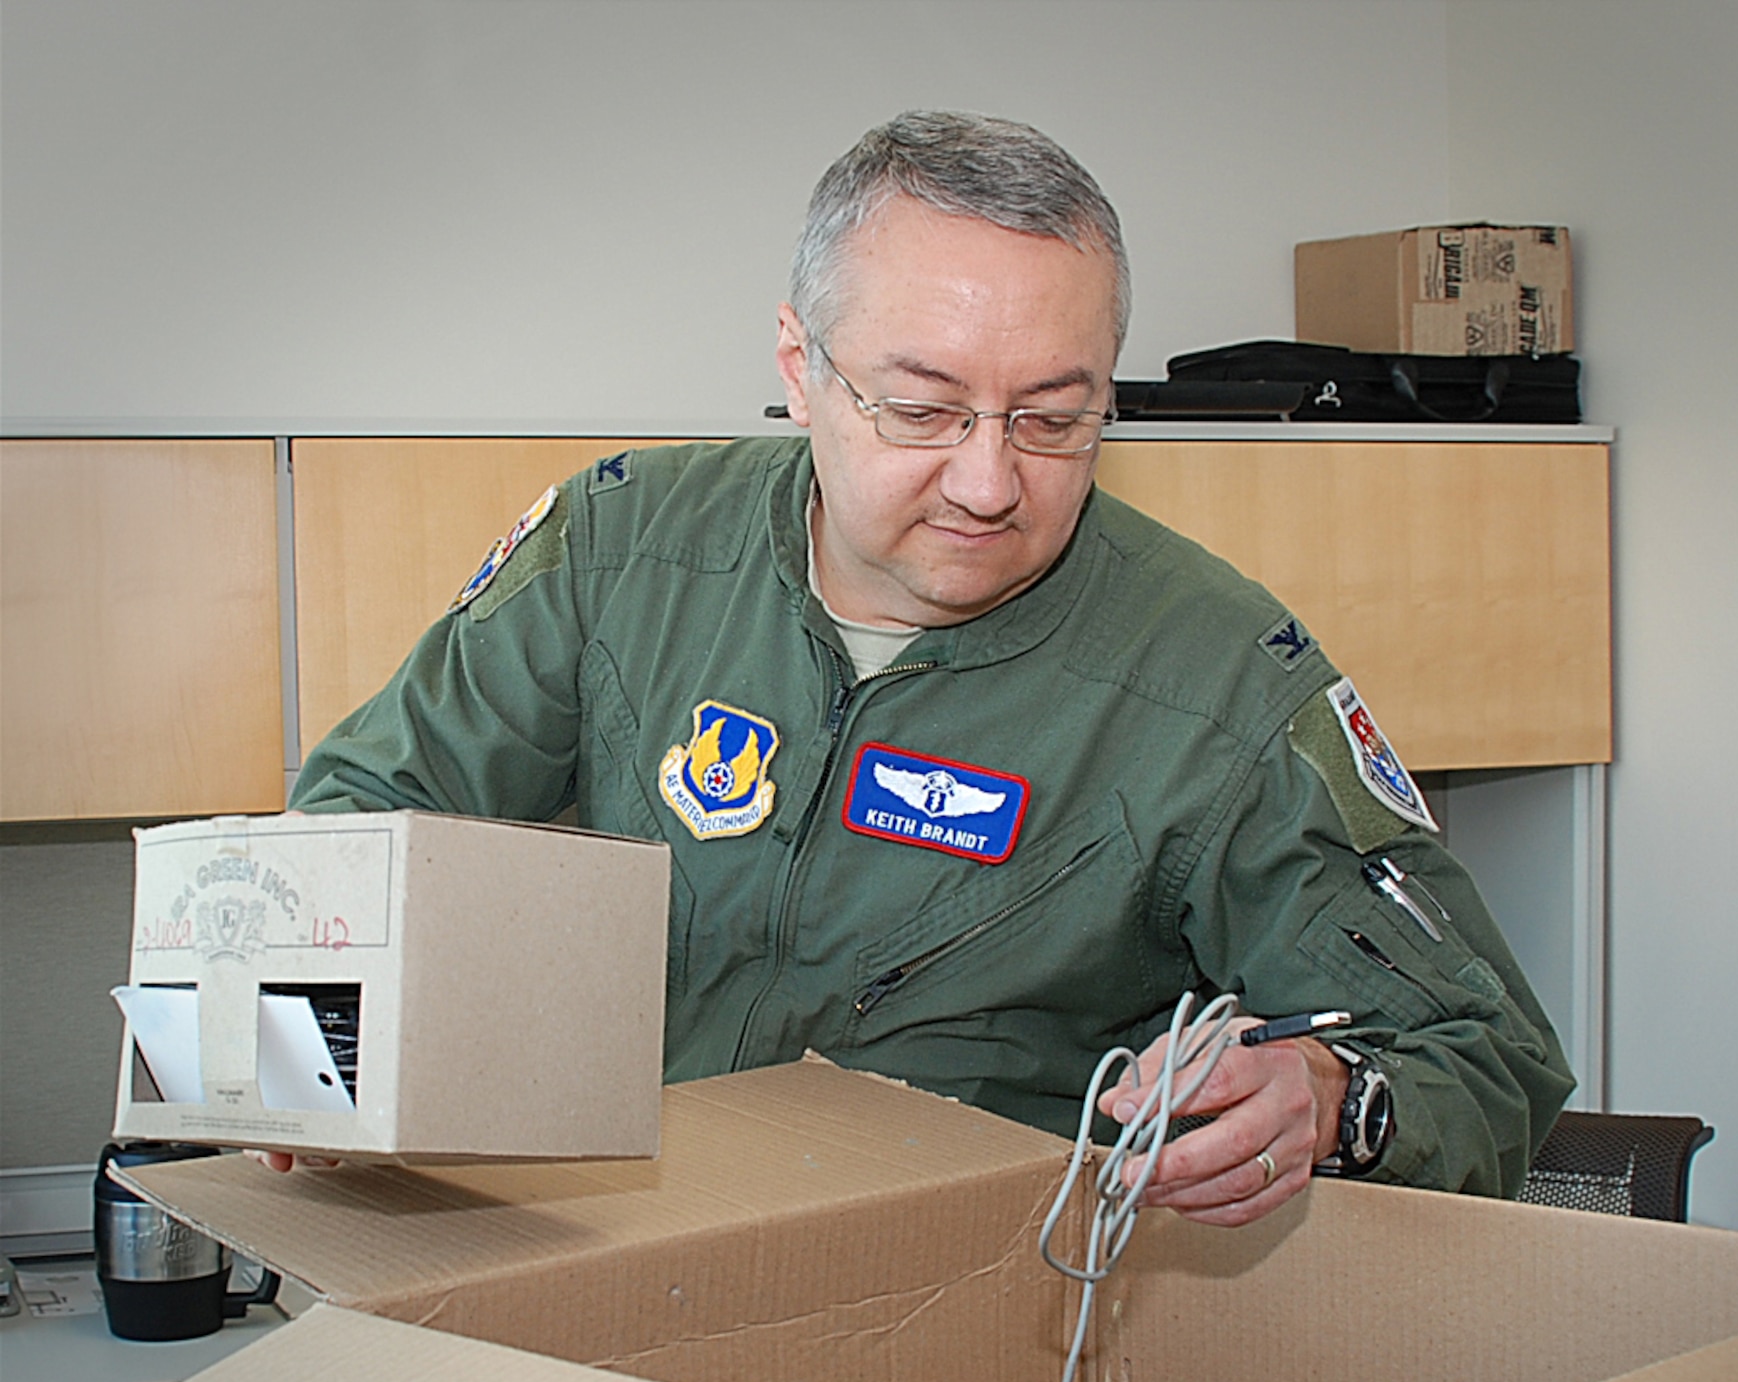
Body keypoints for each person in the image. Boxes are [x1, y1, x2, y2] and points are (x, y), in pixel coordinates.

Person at [278, 110, 1574, 1220]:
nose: (989, 481)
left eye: (1056, 419)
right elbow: (358, 828)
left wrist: (1334, 1102)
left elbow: (1491, 1059)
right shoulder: (619, 551)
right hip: (626, 1270)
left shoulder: (1215, 679)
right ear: (800, 368)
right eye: (923, 409)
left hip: (981, 1340)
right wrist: (306, 1034)